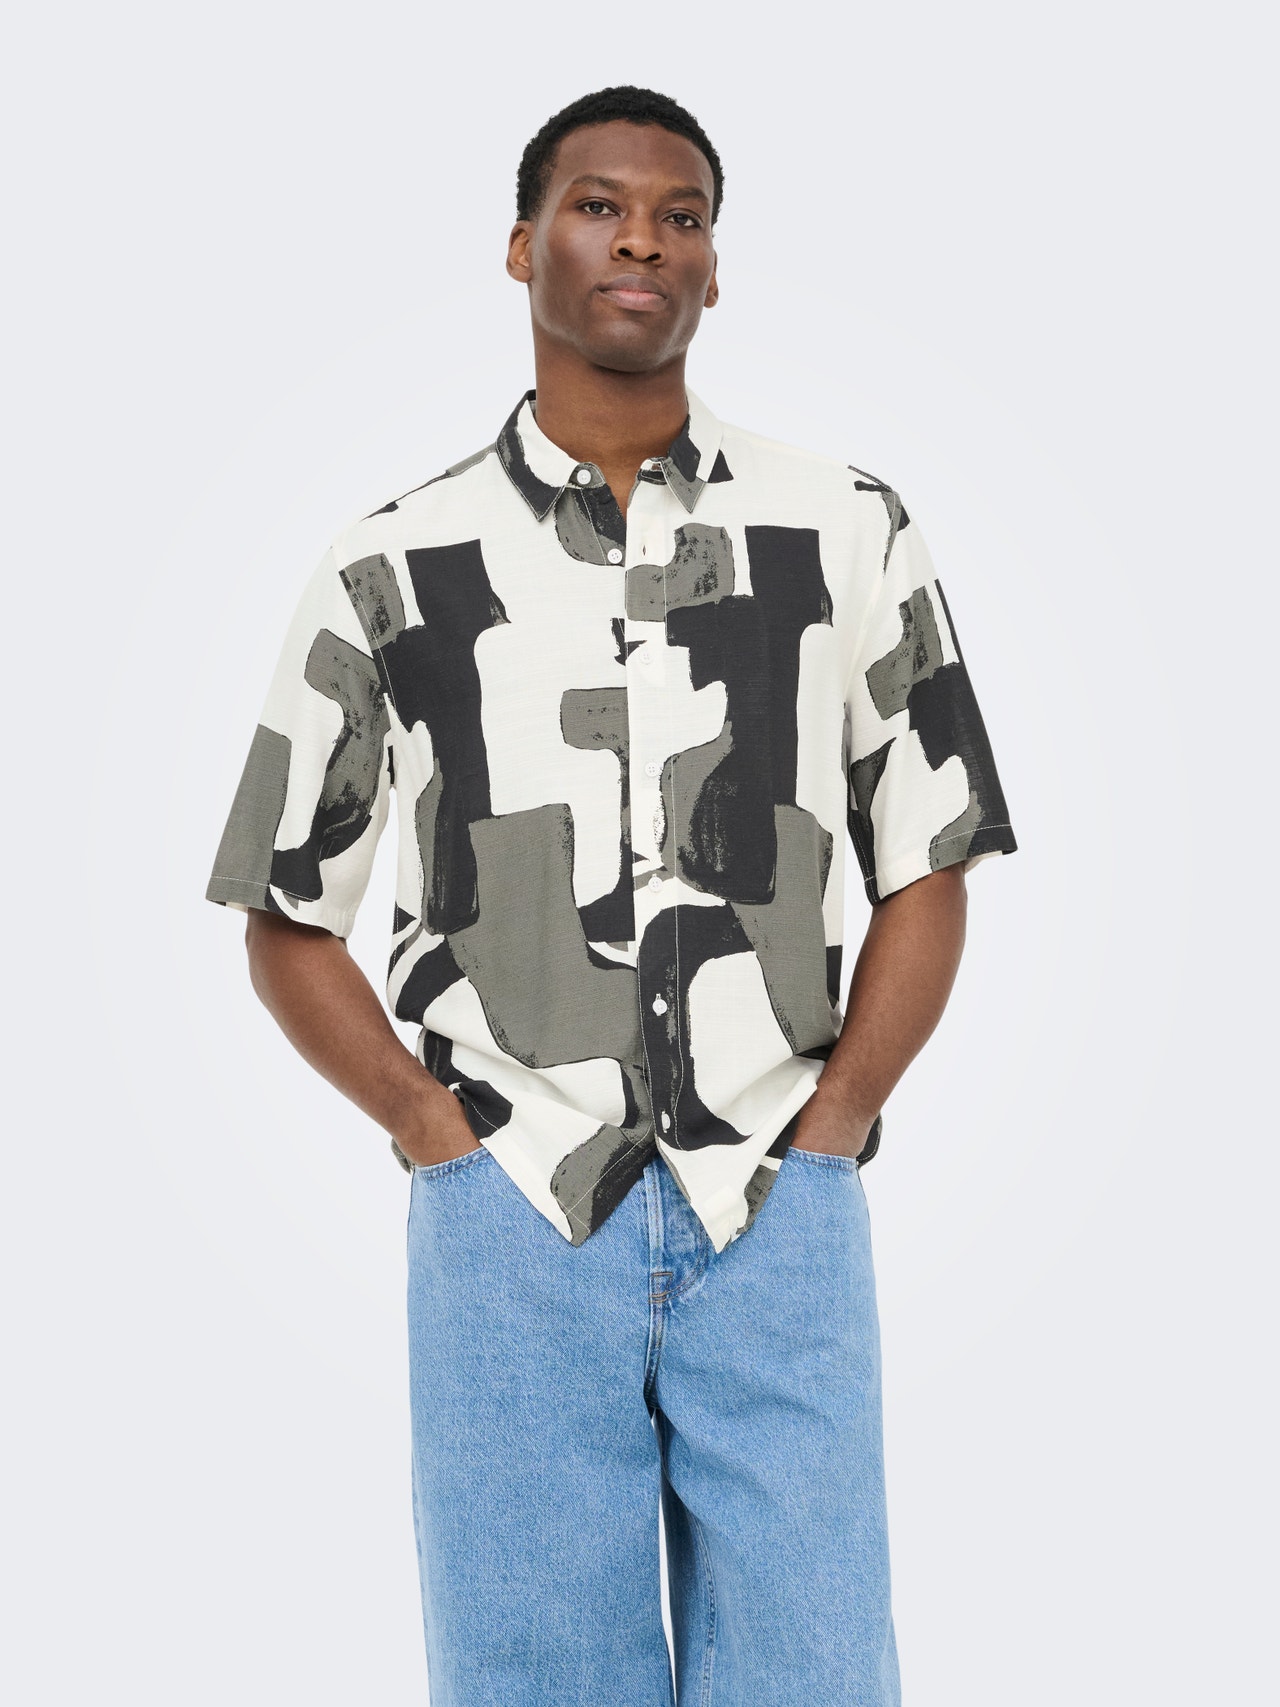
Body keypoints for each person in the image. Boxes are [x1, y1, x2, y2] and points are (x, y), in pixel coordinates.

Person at [205, 84, 1017, 1707]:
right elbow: (287, 909)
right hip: (511, 1213)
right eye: (599, 205)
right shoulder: (391, 565)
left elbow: (929, 855)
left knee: (815, 1673)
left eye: (681, 215)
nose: (642, 237)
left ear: (714, 269)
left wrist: (841, 1119)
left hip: (779, 1201)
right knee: (529, 1680)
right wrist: (432, 1130)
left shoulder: (847, 530)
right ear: (523, 247)